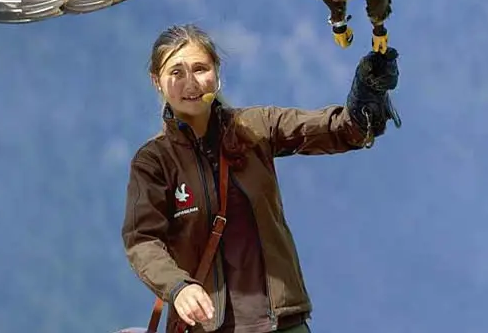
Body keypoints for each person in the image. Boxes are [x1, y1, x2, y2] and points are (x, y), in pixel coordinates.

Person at [121, 23, 400, 333]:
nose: (190, 83)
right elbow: (143, 240)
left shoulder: (254, 127)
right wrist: (178, 287)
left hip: (283, 323)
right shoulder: (154, 162)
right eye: (176, 72)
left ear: (217, 72)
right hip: (210, 326)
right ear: (156, 81)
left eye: (200, 68)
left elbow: (335, 129)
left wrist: (363, 105)